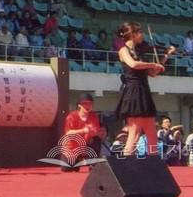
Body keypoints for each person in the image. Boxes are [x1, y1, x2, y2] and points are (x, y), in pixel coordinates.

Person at [114, 22, 167, 157]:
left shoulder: (139, 52)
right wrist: (152, 64)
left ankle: (153, 161)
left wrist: (161, 63)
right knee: (135, 132)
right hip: (133, 91)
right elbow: (133, 64)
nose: (142, 35)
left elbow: (151, 73)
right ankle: (127, 162)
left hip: (144, 90)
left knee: (151, 132)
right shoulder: (123, 50)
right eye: (140, 32)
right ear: (132, 34)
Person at [61, 94, 106, 170]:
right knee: (66, 168)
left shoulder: (93, 116)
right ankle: (77, 161)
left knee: (96, 140)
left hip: (86, 146)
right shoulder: (72, 116)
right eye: (85, 104)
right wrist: (83, 130)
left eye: (90, 103)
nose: (87, 106)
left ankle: (92, 163)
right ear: (79, 105)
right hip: (72, 148)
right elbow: (68, 133)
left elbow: (95, 131)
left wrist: (93, 132)